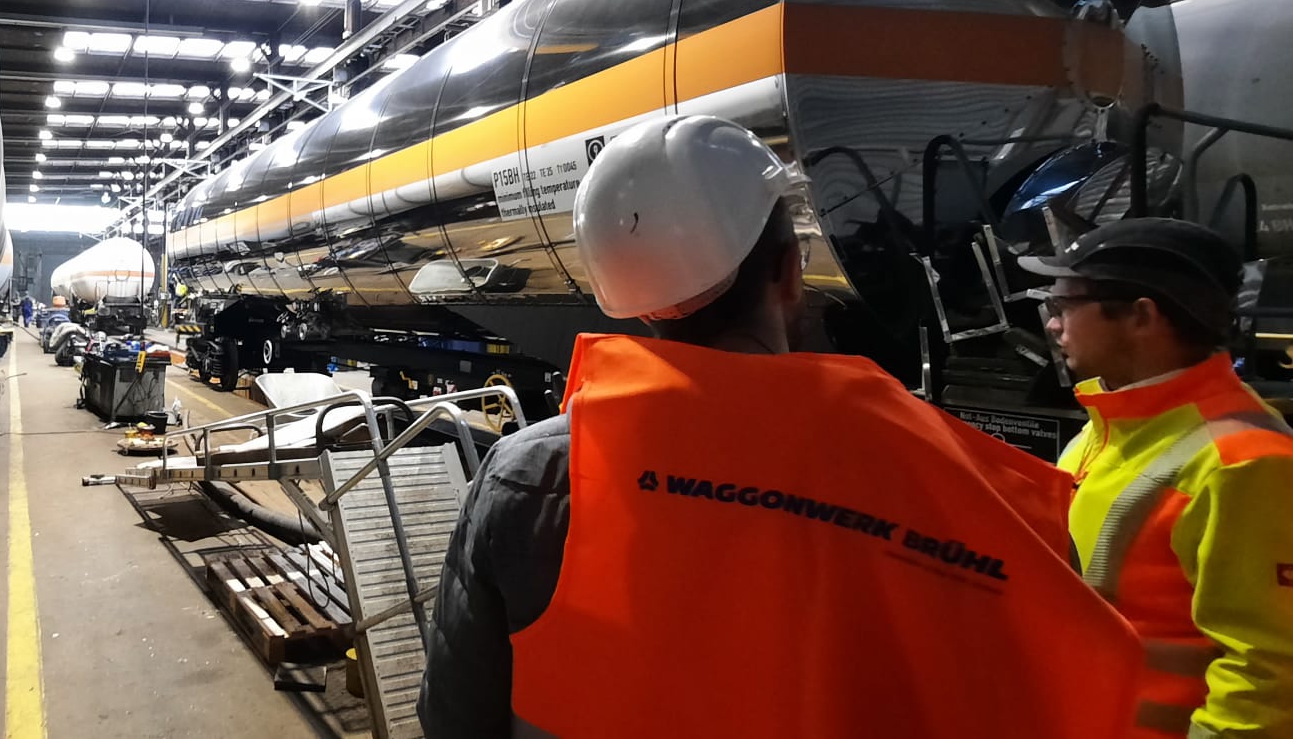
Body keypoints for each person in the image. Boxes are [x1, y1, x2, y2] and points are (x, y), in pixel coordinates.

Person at [417, 115, 1140, 739]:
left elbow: (455, 716)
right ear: (790, 272)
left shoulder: (531, 476)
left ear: (627, 297)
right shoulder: (963, 482)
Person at [1020, 219, 1293, 738]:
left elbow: (1271, 676)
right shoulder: (1108, 428)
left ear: (1142, 316)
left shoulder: (1245, 463)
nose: (1052, 325)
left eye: (1064, 305)